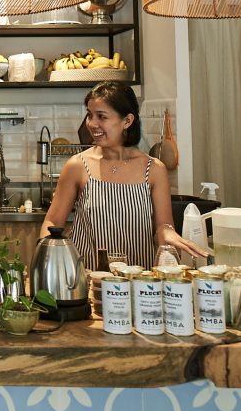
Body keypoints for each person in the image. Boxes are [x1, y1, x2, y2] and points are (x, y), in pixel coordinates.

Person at [41, 81, 207, 270]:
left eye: (101, 116)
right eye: (90, 115)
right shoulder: (77, 166)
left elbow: (163, 226)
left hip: (140, 284)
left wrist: (168, 234)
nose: (92, 124)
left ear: (127, 121)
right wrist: (47, 260)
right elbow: (53, 221)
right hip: (88, 282)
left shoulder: (154, 170)